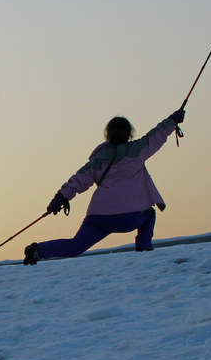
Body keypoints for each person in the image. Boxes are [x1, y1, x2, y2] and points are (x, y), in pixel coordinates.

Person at [25, 108, 185, 265]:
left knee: (75, 246)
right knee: (149, 214)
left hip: (101, 217)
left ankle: (38, 250)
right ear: (129, 134)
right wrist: (172, 120)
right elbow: (156, 135)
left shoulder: (98, 160)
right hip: (132, 216)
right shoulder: (138, 150)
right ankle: (143, 249)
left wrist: (60, 198)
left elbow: (78, 180)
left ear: (108, 135)